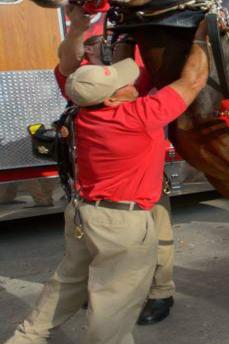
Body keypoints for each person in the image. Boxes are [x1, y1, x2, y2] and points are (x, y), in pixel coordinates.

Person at [0, 20, 210, 344]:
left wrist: (107, 35)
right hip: (120, 222)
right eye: (124, 83)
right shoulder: (137, 117)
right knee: (117, 296)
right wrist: (207, 35)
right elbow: (191, 82)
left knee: (69, 282)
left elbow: (73, 68)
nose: (133, 83)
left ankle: (26, 342)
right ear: (113, 98)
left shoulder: (82, 110)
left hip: (84, 213)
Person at [55, 4, 176, 326]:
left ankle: (161, 292)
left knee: (159, 238)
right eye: (92, 47)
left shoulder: (129, 78)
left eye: (104, 46)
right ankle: (104, 293)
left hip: (143, 179)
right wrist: (78, 29)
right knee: (95, 247)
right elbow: (67, 60)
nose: (99, 50)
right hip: (95, 186)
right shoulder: (82, 82)